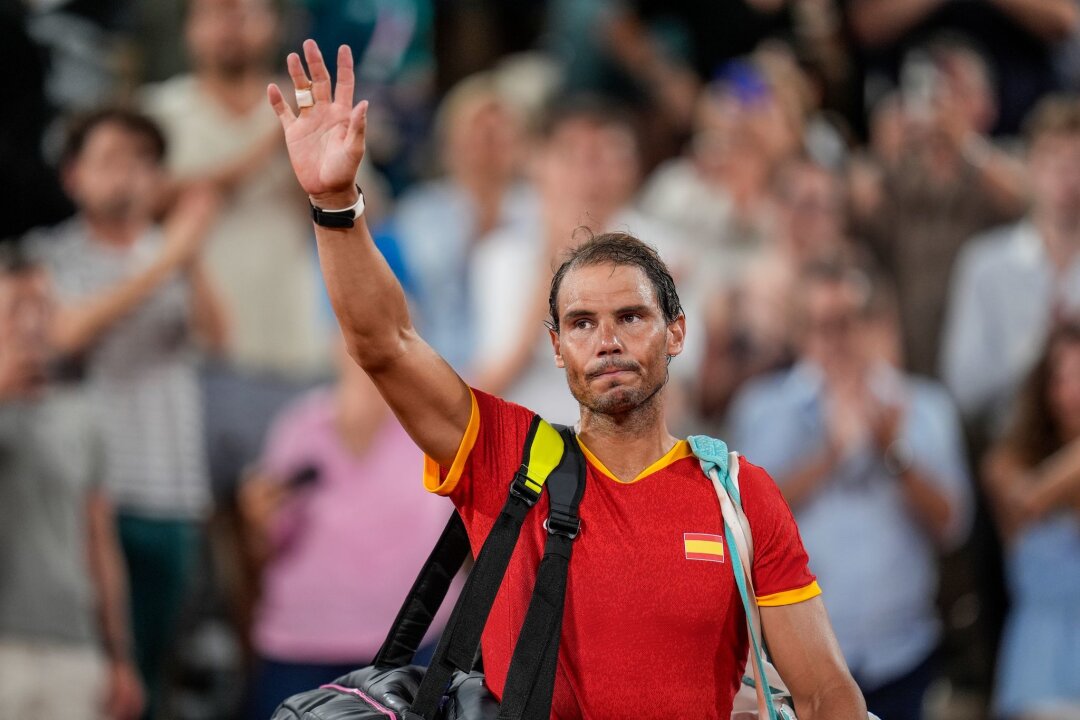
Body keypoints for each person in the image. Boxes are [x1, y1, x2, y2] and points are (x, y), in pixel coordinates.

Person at [264, 39, 867, 718]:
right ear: (555, 348)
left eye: (631, 316)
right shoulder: (504, 460)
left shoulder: (740, 497)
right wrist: (337, 203)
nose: (606, 340)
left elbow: (824, 692)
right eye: (581, 323)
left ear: (677, 332)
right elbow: (385, 344)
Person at [26, 108, 227, 719]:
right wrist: (170, 256)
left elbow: (221, 339)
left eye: (144, 162)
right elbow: (61, 335)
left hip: (174, 493)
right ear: (72, 176)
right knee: (94, 678)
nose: (129, 177)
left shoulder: (173, 254)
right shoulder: (47, 256)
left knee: (156, 677)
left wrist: (186, 255)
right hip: (89, 499)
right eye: (111, 159)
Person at [727, 261, 972, 720]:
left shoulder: (924, 406)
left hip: (902, 655)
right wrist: (829, 457)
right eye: (822, 325)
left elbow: (952, 525)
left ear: (877, 324)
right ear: (801, 330)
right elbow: (739, 527)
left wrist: (892, 451)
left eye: (849, 322)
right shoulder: (762, 407)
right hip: (790, 667)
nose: (836, 340)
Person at [239, 340, 456, 718]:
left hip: (411, 645)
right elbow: (264, 548)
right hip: (303, 644)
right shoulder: (302, 426)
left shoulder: (433, 427)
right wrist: (257, 520)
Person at [0, 248, 143, 720]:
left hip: (74, 647)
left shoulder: (81, 416)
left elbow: (99, 542)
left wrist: (120, 657)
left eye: (43, 305)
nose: (31, 322)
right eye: (16, 305)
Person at [941, 94, 1080, 436]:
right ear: (1031, 166)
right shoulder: (984, 263)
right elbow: (962, 389)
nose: (1066, 177)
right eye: (1054, 161)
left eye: (1077, 162)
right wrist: (1037, 350)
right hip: (1009, 444)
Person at [982, 320, 1080, 719]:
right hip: (1039, 671)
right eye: (1062, 377)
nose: (1073, 391)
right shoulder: (1006, 463)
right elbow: (1028, 501)